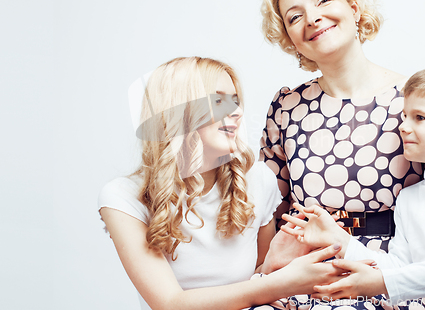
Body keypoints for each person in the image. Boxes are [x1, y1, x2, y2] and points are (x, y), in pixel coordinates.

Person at [253, 0, 425, 310]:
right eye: (294, 16)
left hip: (387, 270)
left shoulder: (416, 97)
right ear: (290, 39)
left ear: (353, 8)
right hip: (302, 271)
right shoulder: (287, 106)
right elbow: (271, 209)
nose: (312, 18)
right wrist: (266, 275)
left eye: (323, 1)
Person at [98, 57, 344, 310]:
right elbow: (170, 304)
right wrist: (281, 283)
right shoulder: (123, 197)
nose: (236, 112)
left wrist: (271, 267)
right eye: (218, 101)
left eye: (235, 101)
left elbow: (256, 282)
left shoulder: (258, 180)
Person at [283, 64, 425, 310]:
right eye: (405, 116)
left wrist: (381, 283)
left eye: (419, 117)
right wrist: (340, 240)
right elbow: (398, 265)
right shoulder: (408, 198)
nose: (404, 126)